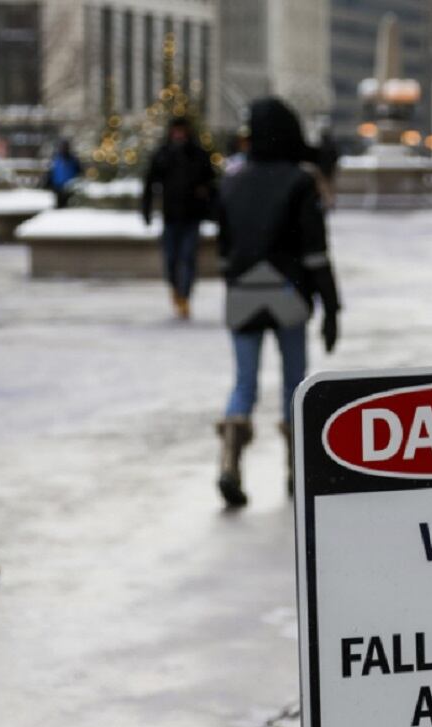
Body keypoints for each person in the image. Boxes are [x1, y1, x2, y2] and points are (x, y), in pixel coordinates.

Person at [215, 97, 341, 506]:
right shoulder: (299, 181)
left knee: (244, 383)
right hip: (287, 289)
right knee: (295, 384)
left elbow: (224, 244)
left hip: (242, 290)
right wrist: (331, 308)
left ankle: (230, 459)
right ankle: (295, 470)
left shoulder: (232, 179)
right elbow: (315, 252)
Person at [142, 117, 216, 320]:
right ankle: (177, 289)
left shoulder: (198, 155)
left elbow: (211, 184)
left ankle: (184, 295)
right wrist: (146, 211)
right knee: (171, 259)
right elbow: (150, 183)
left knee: (188, 257)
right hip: (171, 216)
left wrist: (210, 207)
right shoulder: (163, 154)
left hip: (191, 216)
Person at [44, 139, 81, 209]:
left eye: (65, 146)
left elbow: (78, 171)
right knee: (59, 206)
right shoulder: (55, 158)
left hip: (70, 187)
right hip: (57, 186)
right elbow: (50, 172)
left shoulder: (73, 159)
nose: (63, 148)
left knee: (68, 207)